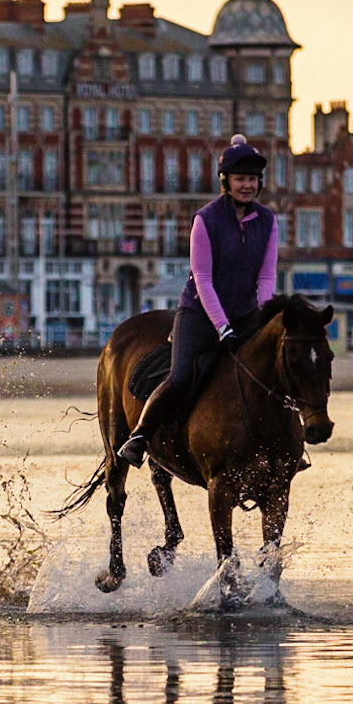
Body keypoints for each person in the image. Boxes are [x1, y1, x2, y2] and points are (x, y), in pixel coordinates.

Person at [117, 135, 278, 467]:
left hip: (245, 313)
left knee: (273, 368)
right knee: (180, 378)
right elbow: (202, 278)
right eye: (240, 179)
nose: (247, 185)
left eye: (252, 179)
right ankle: (141, 436)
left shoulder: (267, 221)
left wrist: (265, 320)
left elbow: (266, 278)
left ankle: (284, 441)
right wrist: (222, 328)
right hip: (199, 314)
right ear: (225, 181)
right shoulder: (206, 220)